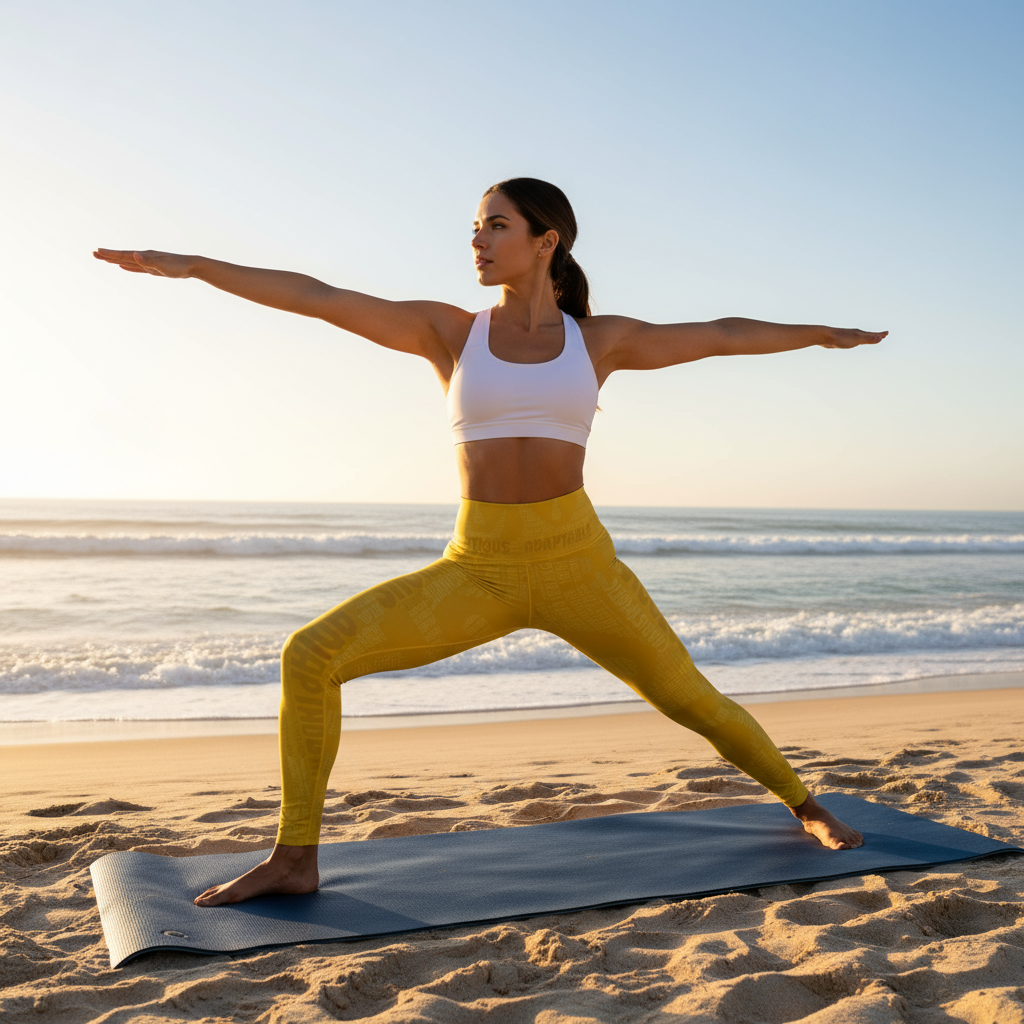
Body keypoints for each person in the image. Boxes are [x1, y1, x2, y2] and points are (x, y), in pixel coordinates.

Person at [95, 177, 884, 907]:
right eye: (474, 228)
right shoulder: (447, 331)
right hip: (478, 570)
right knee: (311, 654)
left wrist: (822, 335)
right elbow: (316, 296)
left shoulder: (599, 340)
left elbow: (720, 333)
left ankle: (805, 805)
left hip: (581, 566)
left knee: (691, 700)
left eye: (495, 226)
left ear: (547, 242)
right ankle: (296, 856)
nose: (477, 240)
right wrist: (194, 265)